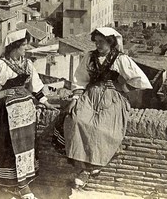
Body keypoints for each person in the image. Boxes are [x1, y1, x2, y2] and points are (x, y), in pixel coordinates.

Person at [52, 27, 152, 188]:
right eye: (96, 42)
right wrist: (75, 98)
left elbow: (141, 79)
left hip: (112, 98)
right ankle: (84, 167)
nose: (97, 45)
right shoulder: (89, 57)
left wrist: (122, 87)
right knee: (77, 120)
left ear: (110, 42)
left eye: (101, 42)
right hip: (90, 96)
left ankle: (93, 166)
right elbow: (80, 79)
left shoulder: (120, 59)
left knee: (104, 128)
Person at [0, 29, 57, 199]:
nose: (27, 48)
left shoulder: (27, 64)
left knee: (25, 147)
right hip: (6, 113)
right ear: (14, 47)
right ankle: (19, 186)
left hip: (25, 112)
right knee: (9, 147)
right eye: (24, 45)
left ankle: (21, 183)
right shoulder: (1, 65)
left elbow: (36, 87)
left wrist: (46, 103)